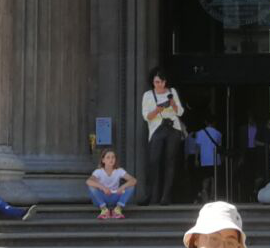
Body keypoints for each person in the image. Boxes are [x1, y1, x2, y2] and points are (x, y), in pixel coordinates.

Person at [140, 69, 186, 207]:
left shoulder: (172, 92)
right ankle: (149, 195)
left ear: (165, 82)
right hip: (157, 129)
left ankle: (166, 196)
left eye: (162, 81)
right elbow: (146, 116)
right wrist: (157, 110)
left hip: (173, 128)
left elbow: (180, 112)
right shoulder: (148, 95)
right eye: (156, 82)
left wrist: (172, 103)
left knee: (170, 162)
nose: (159, 84)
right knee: (153, 161)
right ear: (153, 82)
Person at [88, 147, 138, 219]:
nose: (111, 159)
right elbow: (88, 181)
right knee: (91, 186)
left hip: (115, 198)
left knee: (131, 186)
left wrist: (122, 187)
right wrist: (103, 188)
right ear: (103, 160)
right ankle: (104, 210)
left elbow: (133, 180)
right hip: (102, 199)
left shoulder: (119, 171)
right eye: (108, 157)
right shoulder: (98, 172)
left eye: (113, 157)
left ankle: (118, 209)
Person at [192, 118, 224, 204]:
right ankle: (212, 197)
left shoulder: (200, 133)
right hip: (215, 159)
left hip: (204, 159)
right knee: (214, 179)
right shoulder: (218, 133)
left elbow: (197, 147)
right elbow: (219, 146)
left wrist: (196, 159)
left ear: (206, 122)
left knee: (205, 178)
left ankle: (204, 194)